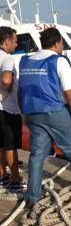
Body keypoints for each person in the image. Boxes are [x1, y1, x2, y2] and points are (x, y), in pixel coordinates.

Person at [18, 28, 71, 205]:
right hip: (54, 112)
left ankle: (32, 196)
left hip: (33, 114)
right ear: (57, 43)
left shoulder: (25, 61)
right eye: (61, 44)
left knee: (36, 155)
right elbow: (69, 92)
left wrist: (24, 113)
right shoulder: (59, 61)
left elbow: (21, 91)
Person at [0, 26, 26, 192]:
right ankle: (16, 179)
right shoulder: (8, 59)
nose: (16, 44)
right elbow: (7, 79)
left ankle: (2, 176)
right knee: (10, 145)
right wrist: (5, 91)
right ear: (7, 41)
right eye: (15, 40)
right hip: (6, 109)